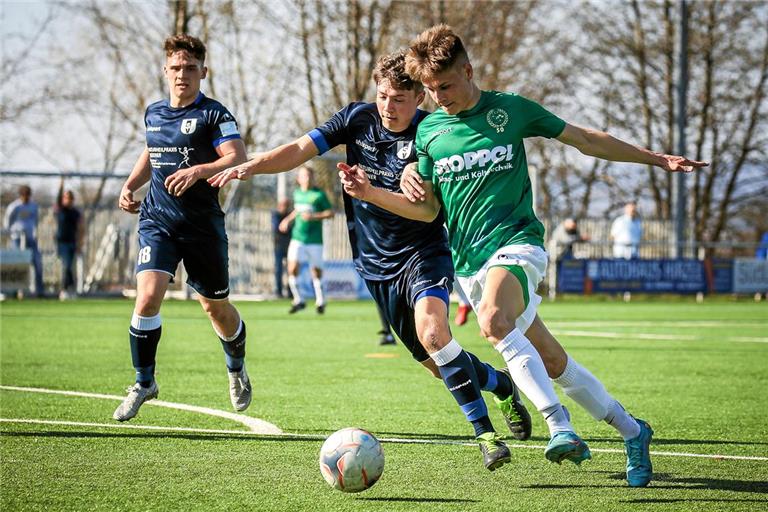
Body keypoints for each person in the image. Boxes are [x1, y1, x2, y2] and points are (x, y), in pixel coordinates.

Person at [341, 24, 707, 487]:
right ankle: (633, 431)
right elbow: (428, 208)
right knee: (553, 361)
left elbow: (585, 139)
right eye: (431, 91)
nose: (439, 98)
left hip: (518, 244)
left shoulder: (508, 110)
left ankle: (559, 425)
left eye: (446, 86)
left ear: (469, 71)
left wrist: (655, 158)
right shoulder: (431, 130)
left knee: (493, 322)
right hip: (471, 265)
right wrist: (371, 192)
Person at [209, 50, 533, 471]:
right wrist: (253, 166)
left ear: (419, 97)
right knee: (436, 362)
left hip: (424, 253)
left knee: (435, 334)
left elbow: (430, 208)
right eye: (383, 96)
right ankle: (500, 383)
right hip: (375, 265)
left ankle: (485, 434)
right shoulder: (355, 119)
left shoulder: (431, 132)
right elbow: (299, 148)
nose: (388, 107)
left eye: (399, 98)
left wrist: (391, 183)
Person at [113, 34, 250, 422]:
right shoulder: (153, 112)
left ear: (203, 72)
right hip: (158, 221)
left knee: (216, 309)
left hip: (202, 227)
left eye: (191, 68)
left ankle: (236, 366)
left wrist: (199, 170)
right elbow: (151, 151)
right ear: (165, 71)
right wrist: (129, 184)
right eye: (176, 68)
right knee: (147, 297)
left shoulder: (214, 114)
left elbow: (237, 156)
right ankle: (143, 382)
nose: (182, 75)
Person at [280, 166, 333, 314]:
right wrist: (287, 220)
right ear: (299, 179)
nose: (307, 178)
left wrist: (314, 216)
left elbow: (330, 213)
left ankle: (321, 301)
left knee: (316, 271)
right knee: (292, 268)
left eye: (310, 175)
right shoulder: (297, 193)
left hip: (315, 239)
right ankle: (299, 300)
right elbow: (297, 210)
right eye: (304, 175)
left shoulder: (319, 195)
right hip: (297, 238)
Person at [4, 185, 44, 297]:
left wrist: (34, 233)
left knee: (37, 262)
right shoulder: (14, 207)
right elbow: (7, 221)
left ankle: (39, 291)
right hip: (17, 239)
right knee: (17, 264)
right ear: (20, 195)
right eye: (24, 195)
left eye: (28, 195)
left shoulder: (33, 206)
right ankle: (15, 291)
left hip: (30, 239)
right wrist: (11, 234)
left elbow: (35, 221)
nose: (26, 198)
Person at [54, 178, 83, 300]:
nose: (68, 200)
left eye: (70, 198)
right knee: (66, 266)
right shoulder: (61, 209)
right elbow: (58, 197)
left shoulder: (75, 212)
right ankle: (66, 289)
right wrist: (61, 182)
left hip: (72, 242)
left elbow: (81, 228)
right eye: (65, 198)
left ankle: (69, 289)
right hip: (62, 242)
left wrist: (80, 243)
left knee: (70, 266)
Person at [271, 197, 292, 298]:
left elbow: (292, 228)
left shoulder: (290, 215)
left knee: (290, 270)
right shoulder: (275, 214)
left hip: (289, 245)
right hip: (279, 245)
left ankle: (290, 292)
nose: (285, 207)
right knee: (278, 269)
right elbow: (277, 228)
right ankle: (278, 291)